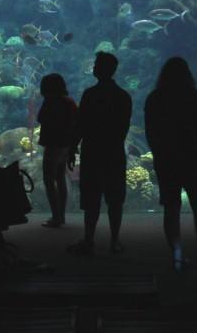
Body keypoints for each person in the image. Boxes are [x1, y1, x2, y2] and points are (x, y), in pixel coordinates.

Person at [145, 56, 197, 271]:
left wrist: (159, 154)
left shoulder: (154, 98)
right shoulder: (192, 95)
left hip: (166, 161)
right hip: (191, 159)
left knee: (171, 209)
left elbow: (151, 132)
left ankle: (177, 256)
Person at [67, 52, 132, 255]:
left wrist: (72, 148)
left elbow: (80, 125)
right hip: (114, 153)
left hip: (93, 152)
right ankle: (114, 241)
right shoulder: (123, 96)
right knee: (115, 200)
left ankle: (89, 240)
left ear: (103, 68)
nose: (94, 67)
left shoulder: (90, 94)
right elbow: (123, 128)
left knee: (91, 199)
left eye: (96, 64)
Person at [37, 73, 77, 228]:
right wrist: (73, 148)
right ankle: (61, 215)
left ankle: (56, 217)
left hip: (53, 144)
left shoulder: (50, 101)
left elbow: (40, 118)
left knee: (48, 180)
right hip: (66, 145)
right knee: (60, 178)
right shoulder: (69, 102)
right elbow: (75, 122)